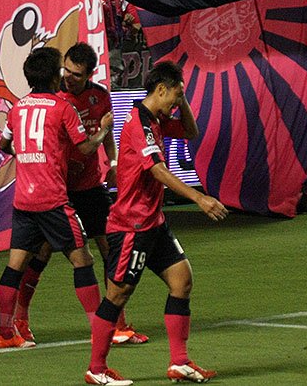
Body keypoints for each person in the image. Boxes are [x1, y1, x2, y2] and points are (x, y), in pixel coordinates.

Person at [86, 61, 227, 386]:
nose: (177, 102)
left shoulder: (156, 120)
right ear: (160, 90)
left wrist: (182, 98)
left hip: (153, 222)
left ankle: (179, 362)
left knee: (182, 280)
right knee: (117, 295)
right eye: (176, 95)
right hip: (132, 226)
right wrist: (199, 198)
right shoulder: (139, 123)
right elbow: (157, 170)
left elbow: (190, 132)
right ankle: (96, 368)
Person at [14, 43, 147, 346]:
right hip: (57, 188)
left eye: (76, 74)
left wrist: (113, 163)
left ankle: (118, 323)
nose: (69, 78)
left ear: (89, 74)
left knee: (109, 250)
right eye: (66, 71)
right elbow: (87, 141)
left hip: (89, 186)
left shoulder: (100, 96)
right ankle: (21, 319)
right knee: (41, 254)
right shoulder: (54, 98)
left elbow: (107, 134)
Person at [0, 47, 113, 349]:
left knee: (15, 266)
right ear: (53, 76)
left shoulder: (18, 107)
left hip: (24, 201)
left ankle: (6, 333)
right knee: (83, 260)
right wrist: (102, 132)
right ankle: (100, 329)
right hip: (53, 200)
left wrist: (27, 157)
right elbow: (85, 148)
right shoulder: (62, 108)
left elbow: (5, 145)